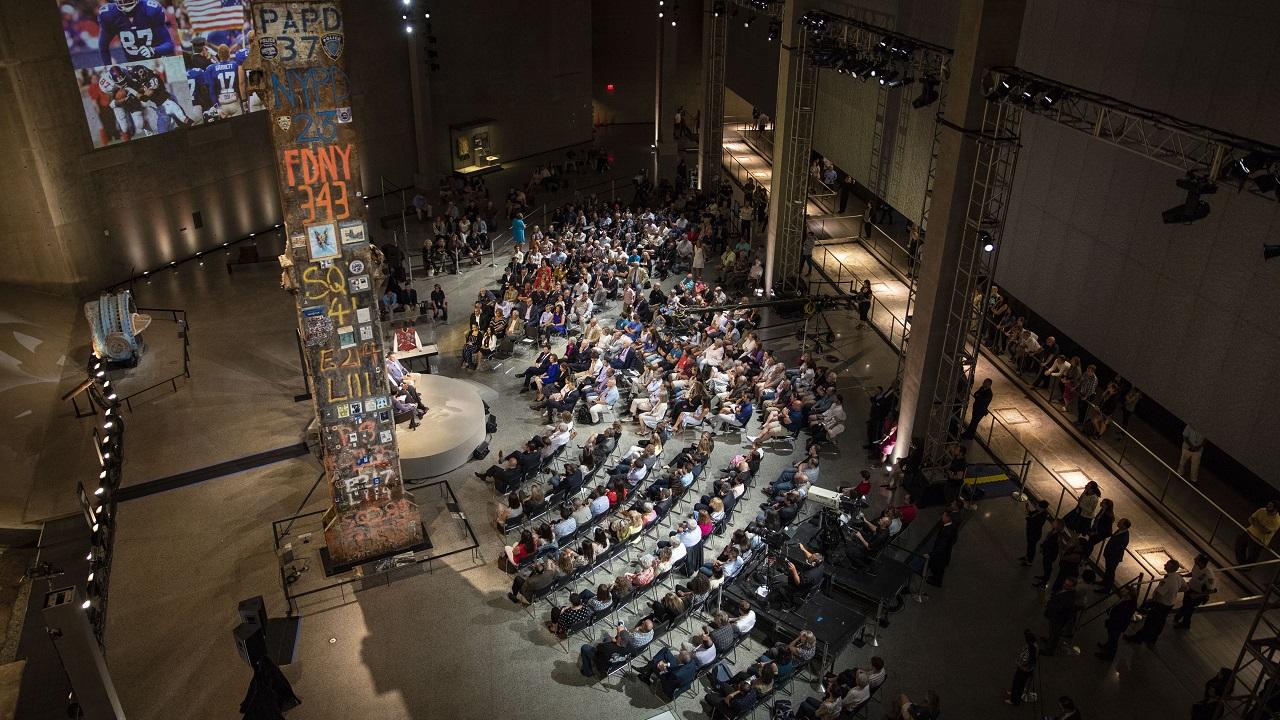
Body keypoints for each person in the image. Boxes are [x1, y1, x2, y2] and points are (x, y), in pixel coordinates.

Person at [1126, 559, 1185, 645]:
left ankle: (1139, 638)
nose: (1165, 565)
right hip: (1169, 605)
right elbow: (1185, 588)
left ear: (1171, 567)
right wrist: (1173, 592)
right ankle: (1153, 639)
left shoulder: (1167, 581)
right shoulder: (1178, 576)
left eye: (1167, 564)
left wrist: (1151, 601)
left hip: (1160, 605)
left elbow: (1158, 594)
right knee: (1160, 622)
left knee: (1150, 622)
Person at [1174, 554, 1217, 629]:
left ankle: (1185, 624)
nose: (1194, 559)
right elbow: (1193, 574)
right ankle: (1178, 616)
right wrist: (1183, 575)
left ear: (1201, 562)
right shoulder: (1196, 566)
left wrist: (1197, 595)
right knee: (1185, 604)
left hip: (1197, 594)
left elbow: (1211, 590)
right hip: (1190, 589)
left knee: (1189, 610)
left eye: (1196, 558)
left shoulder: (1209, 575)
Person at [1095, 585, 1137, 660]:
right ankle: (1107, 646)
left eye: (1125, 591)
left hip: (1117, 624)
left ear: (1129, 595)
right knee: (1111, 636)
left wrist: (1112, 614)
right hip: (1115, 622)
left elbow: (1120, 615)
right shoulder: (1127, 600)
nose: (1122, 591)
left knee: (1113, 638)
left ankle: (1109, 655)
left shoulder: (1128, 605)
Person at [1042, 576, 1082, 655]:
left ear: (1073, 587)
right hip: (1056, 616)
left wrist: (1048, 603)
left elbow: (1059, 608)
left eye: (1068, 585)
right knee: (1052, 631)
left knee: (1055, 633)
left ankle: (1049, 650)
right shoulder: (1066, 590)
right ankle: (1049, 640)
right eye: (1065, 584)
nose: (1065, 586)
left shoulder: (1069, 597)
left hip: (1058, 618)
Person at [1006, 629, 1038, 706]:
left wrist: (1018, 662)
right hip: (1028, 669)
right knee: (1020, 684)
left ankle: (1014, 700)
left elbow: (1024, 661)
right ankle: (1014, 694)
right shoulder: (1035, 646)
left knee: (1017, 684)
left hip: (1023, 670)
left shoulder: (1029, 650)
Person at [925, 511, 958, 586]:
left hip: (941, 555)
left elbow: (942, 546)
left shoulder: (947, 531)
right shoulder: (952, 526)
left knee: (938, 568)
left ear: (948, 518)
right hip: (945, 553)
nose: (942, 517)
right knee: (939, 568)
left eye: (944, 516)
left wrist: (931, 554)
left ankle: (937, 582)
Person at [1097, 518, 1130, 590]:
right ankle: (1104, 582)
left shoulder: (1124, 537)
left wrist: (1110, 555)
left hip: (1113, 558)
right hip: (1109, 555)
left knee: (1110, 573)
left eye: (1120, 522)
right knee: (1108, 570)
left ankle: (1107, 588)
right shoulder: (1120, 531)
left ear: (1124, 526)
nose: (1118, 522)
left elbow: (1117, 549)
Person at [1019, 499, 1050, 566]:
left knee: (1032, 547)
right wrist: (1028, 509)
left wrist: (1027, 517)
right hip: (1031, 531)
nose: (1036, 506)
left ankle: (1030, 561)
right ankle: (1027, 556)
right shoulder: (1038, 511)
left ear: (1041, 508)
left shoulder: (1042, 517)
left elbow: (1032, 522)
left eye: (1037, 505)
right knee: (1029, 545)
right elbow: (1031, 514)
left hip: (1034, 534)